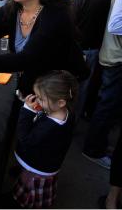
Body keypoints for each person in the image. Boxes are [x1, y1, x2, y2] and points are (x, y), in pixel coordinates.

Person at [13, 70, 78, 208]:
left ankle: (21, 202)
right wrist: (42, 108)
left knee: (30, 192)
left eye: (41, 99)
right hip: (49, 162)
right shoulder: (66, 112)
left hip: (37, 167)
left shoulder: (50, 126)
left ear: (60, 102)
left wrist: (27, 111)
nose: (37, 101)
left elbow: (25, 140)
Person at [82, 0, 122, 169]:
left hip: (115, 57)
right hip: (117, 59)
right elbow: (115, 24)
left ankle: (97, 146)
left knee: (109, 106)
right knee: (108, 105)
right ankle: (93, 150)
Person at [70, 0, 111, 120]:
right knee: (83, 91)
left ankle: (64, 124)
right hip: (97, 53)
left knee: (71, 91)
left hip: (78, 53)